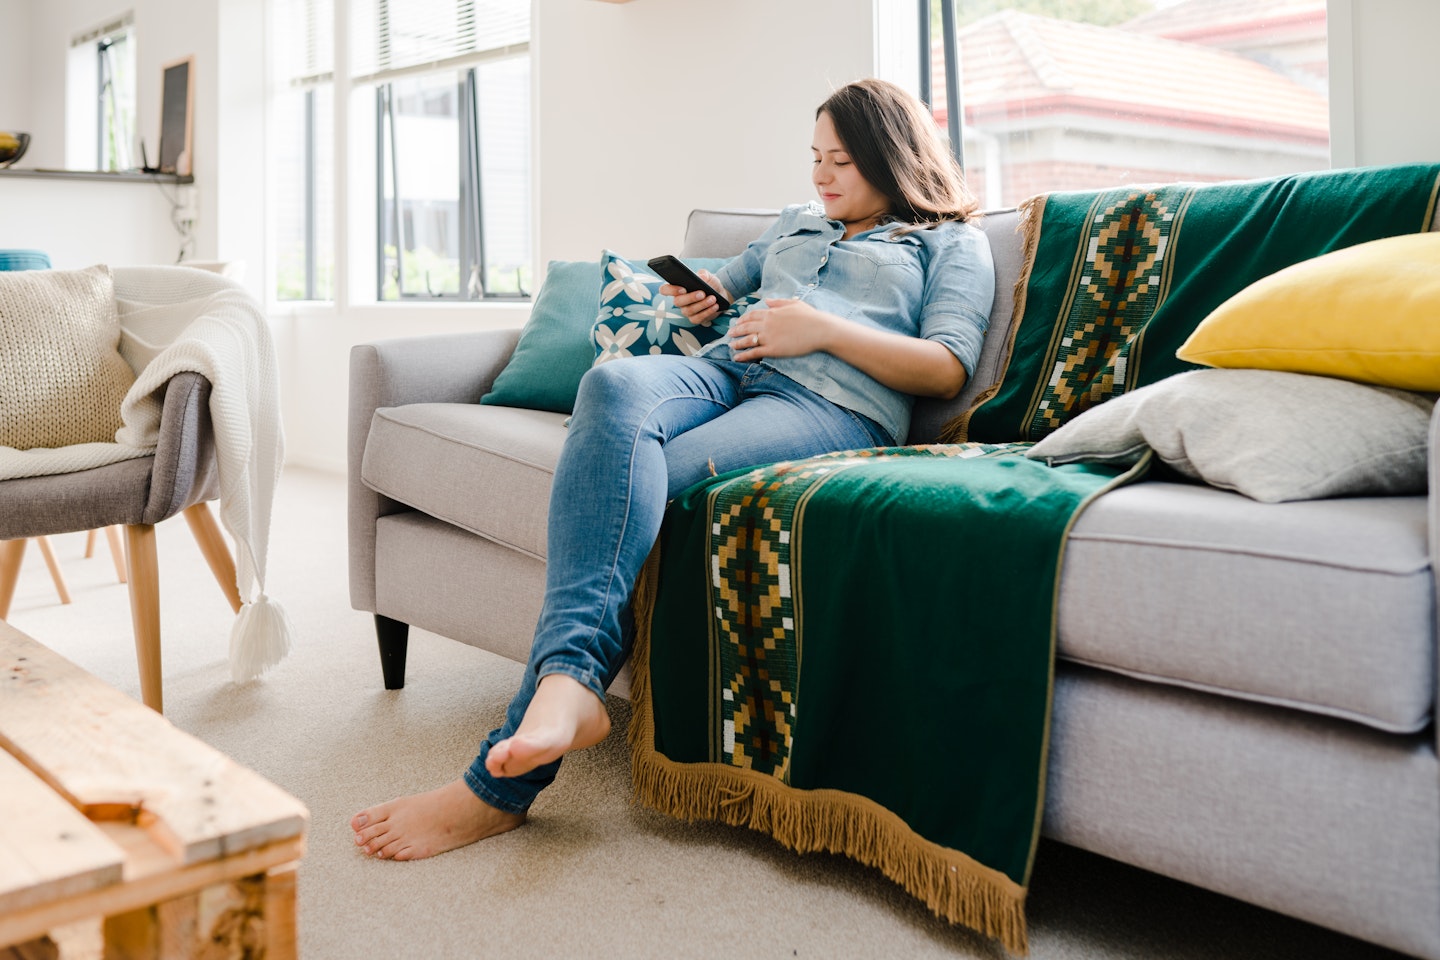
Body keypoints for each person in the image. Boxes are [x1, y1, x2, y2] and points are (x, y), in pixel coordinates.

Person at [350, 77, 996, 860]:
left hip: (829, 405)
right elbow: (733, 279)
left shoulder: (948, 240)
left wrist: (820, 332)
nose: (822, 178)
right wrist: (714, 294)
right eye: (815, 158)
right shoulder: (797, 223)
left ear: (895, 161)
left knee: (638, 495)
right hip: (728, 369)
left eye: (844, 162)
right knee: (614, 384)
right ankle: (569, 691)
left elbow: (945, 368)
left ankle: (503, 779)